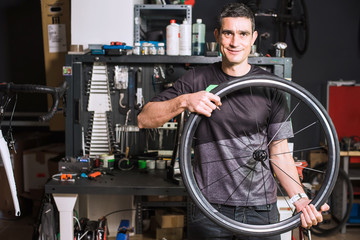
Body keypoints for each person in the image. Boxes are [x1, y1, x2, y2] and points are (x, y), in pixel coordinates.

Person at [138, 3, 329, 239]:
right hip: (208, 208)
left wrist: (299, 200)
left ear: (253, 38)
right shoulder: (196, 80)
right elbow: (144, 118)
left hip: (260, 210)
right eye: (228, 33)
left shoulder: (270, 86)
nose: (235, 42)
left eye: (243, 34)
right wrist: (185, 101)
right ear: (217, 35)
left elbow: (279, 153)